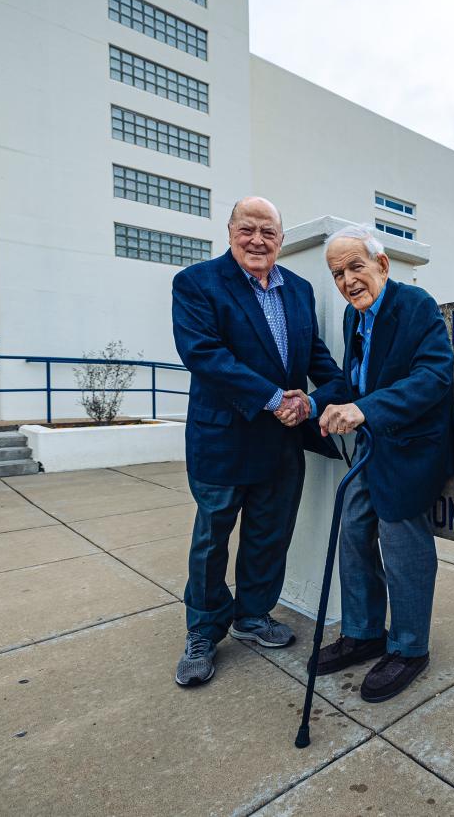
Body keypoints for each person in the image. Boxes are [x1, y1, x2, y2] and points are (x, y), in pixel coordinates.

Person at [171, 196, 344, 687]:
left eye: (268, 232)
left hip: (282, 445)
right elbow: (204, 355)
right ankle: (203, 629)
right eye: (248, 229)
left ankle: (252, 616)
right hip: (222, 440)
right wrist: (275, 399)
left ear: (281, 240)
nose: (257, 240)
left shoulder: (300, 291)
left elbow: (318, 360)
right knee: (211, 543)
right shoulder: (196, 283)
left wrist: (314, 401)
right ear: (229, 232)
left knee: (270, 537)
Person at [314, 223, 454, 703]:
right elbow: (354, 381)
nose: (347, 280)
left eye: (355, 267)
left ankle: (409, 648)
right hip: (373, 444)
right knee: (353, 532)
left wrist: (365, 410)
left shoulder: (414, 305)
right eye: (337, 274)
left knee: (402, 546)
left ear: (381, 265)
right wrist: (315, 399)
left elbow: (435, 375)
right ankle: (364, 633)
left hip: (412, 448)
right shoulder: (351, 318)